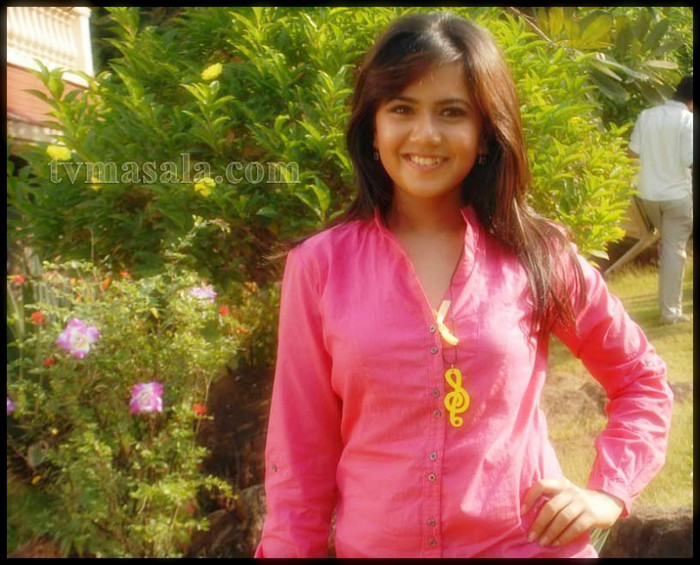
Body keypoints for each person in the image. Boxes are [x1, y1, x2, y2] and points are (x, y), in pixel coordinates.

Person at [255, 12, 673, 558]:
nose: (425, 134)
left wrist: (608, 492)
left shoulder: (537, 255)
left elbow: (641, 379)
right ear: (373, 127)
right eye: (401, 108)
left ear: (484, 135)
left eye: (452, 112)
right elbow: (299, 457)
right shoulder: (320, 266)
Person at [628, 75, 693, 325]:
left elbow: (632, 154)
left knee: (669, 248)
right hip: (677, 196)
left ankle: (668, 307)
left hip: (649, 196)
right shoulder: (688, 121)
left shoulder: (647, 116)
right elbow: (690, 160)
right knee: (674, 252)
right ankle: (670, 312)